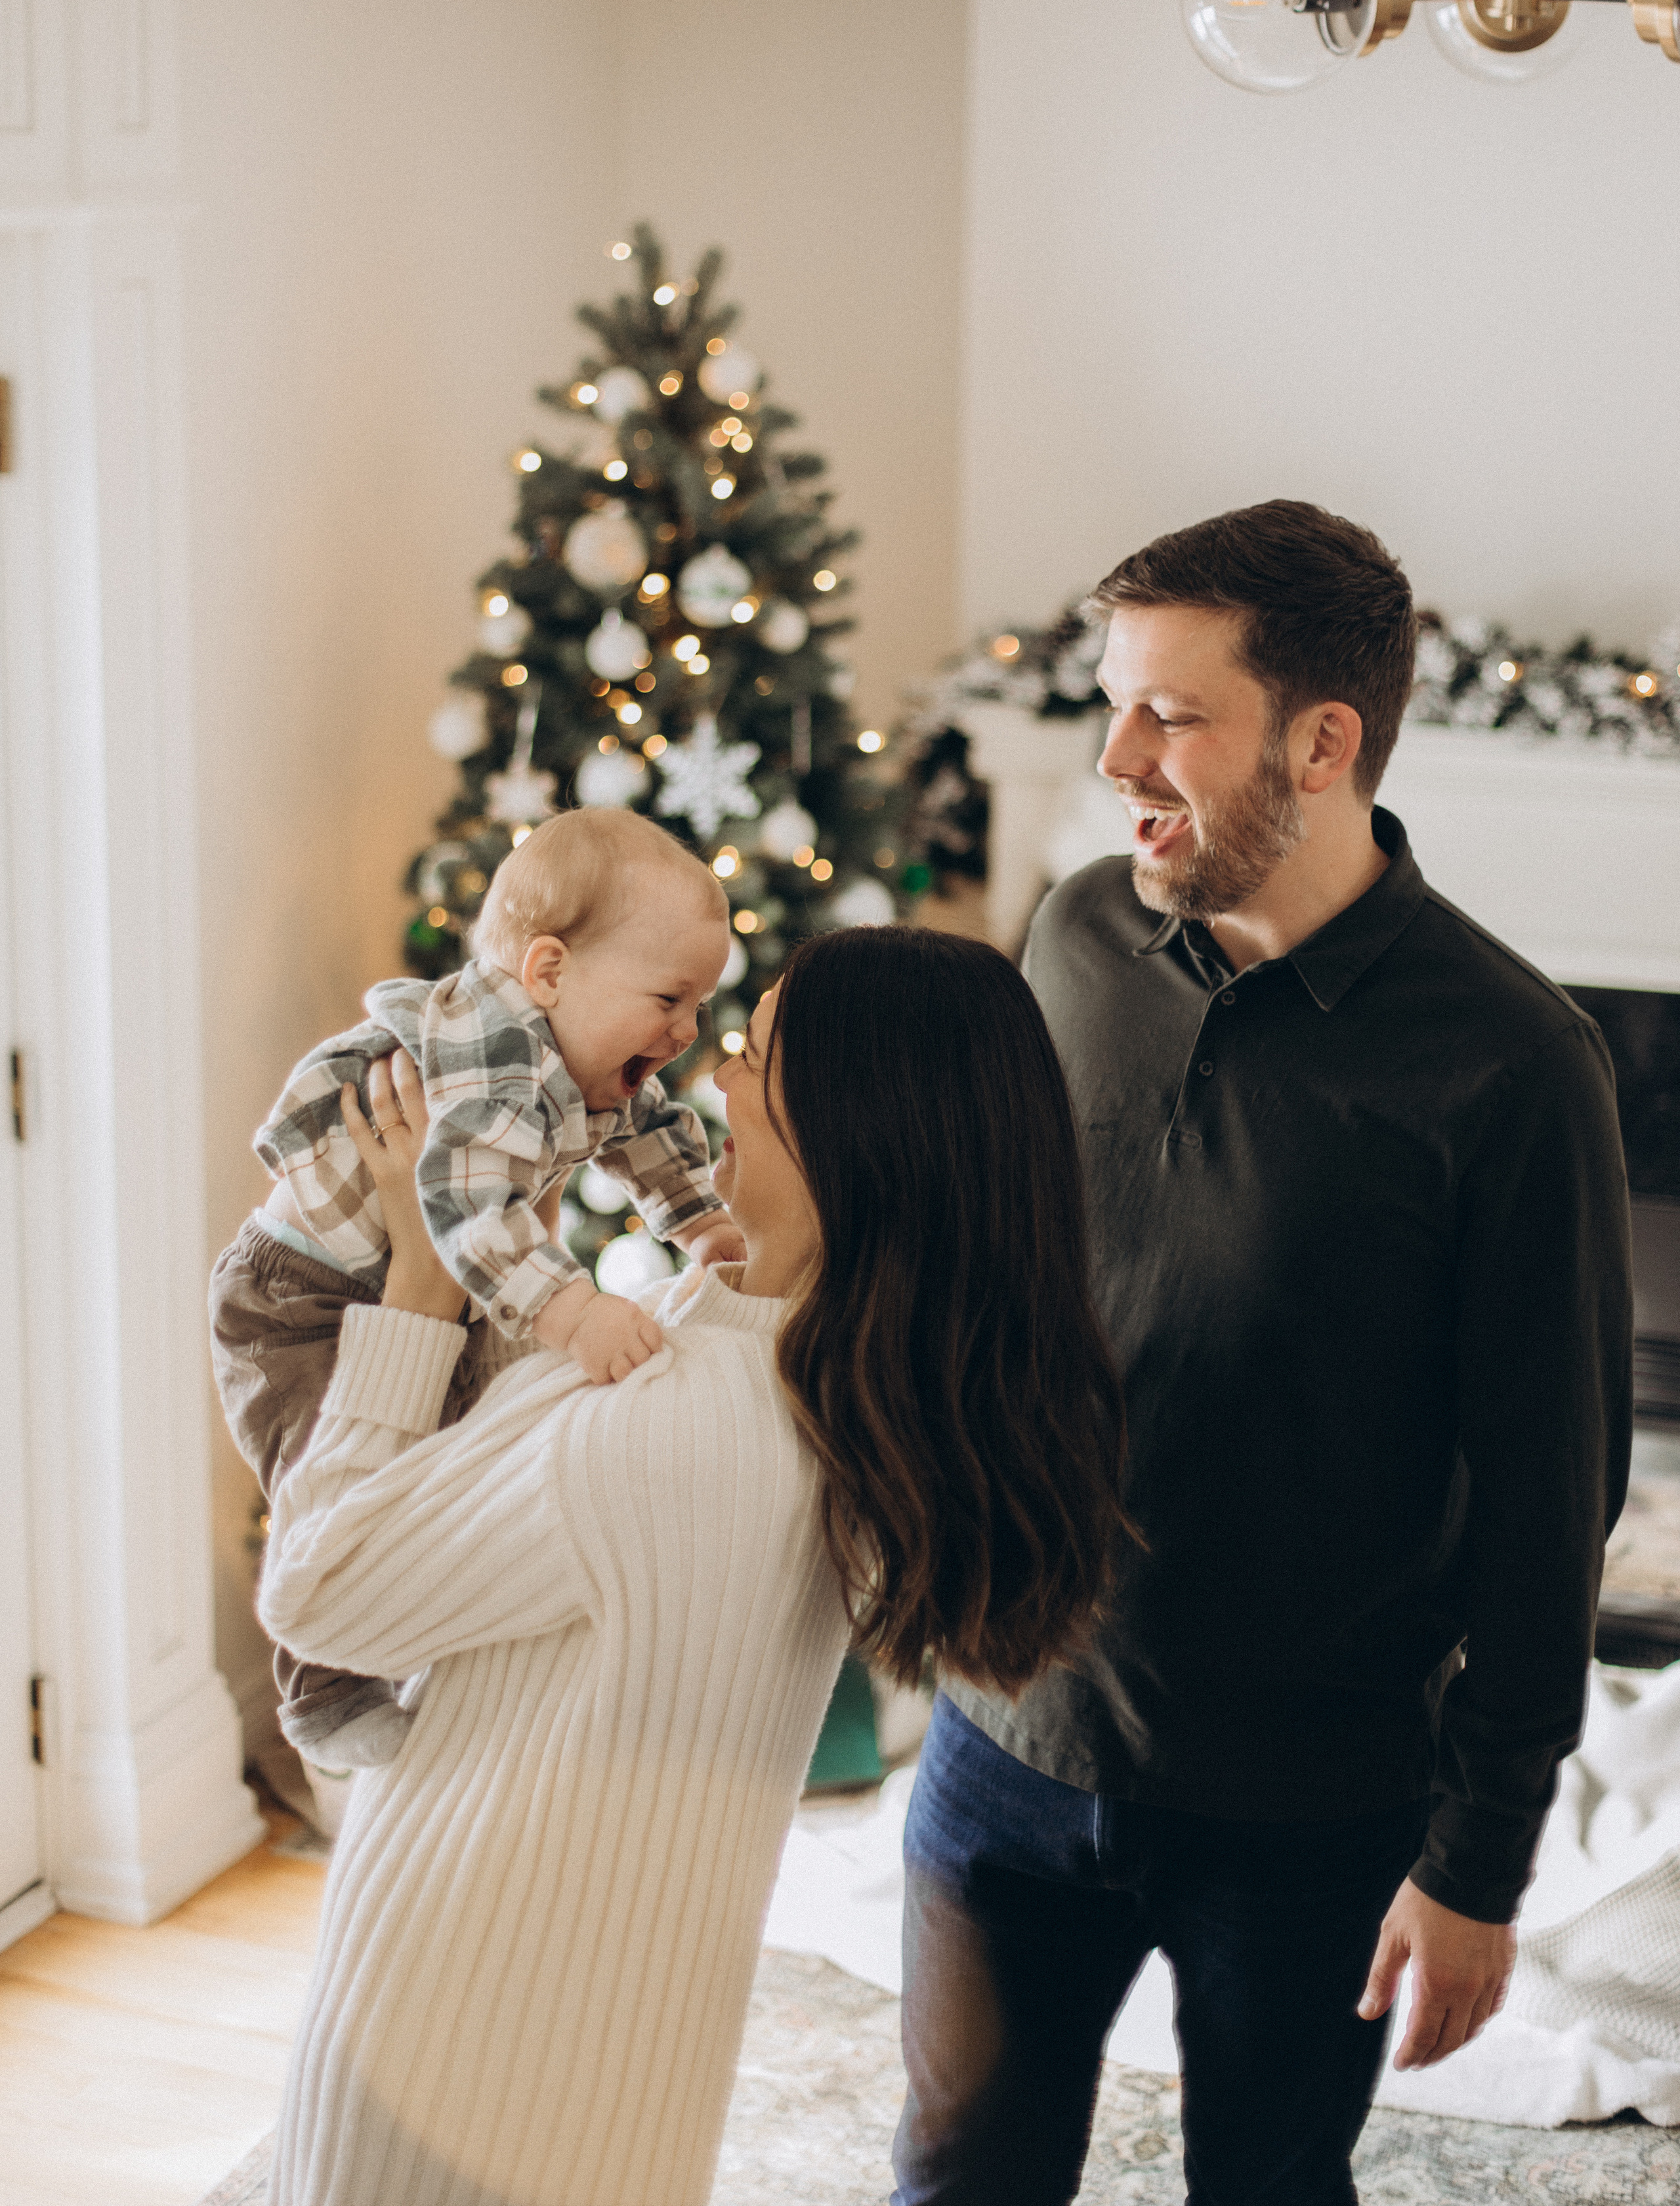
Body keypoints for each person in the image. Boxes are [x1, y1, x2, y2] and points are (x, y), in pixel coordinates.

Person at [892, 500, 1633, 2206]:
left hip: (1307, 1812)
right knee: (951, 2179)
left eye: (1171, 715)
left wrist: (1479, 1863)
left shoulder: (1518, 1069)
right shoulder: (1074, 937)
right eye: (1112, 705)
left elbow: (1551, 1502)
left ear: (1322, 742)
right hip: (1003, 1742)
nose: (1114, 759)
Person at [257, 922, 1132, 2206]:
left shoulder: (684, 1416)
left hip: (449, 2042)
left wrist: (423, 1287)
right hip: (626, 2063)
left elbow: (319, 1592)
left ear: (844, 1130)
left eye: (757, 1058)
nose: (712, 1076)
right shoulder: (834, 1392)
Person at [210, 806, 744, 1772]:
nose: (687, 1031)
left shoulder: (585, 1055)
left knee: (448, 1457)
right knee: (323, 1473)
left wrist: (699, 1222)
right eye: (670, 998)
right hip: (298, 1300)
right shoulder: (496, 1057)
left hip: (399, 1282)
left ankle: (419, 1641)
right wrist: (573, 1312)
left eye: (700, 1004)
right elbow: (465, 1203)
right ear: (549, 972)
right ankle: (325, 1690)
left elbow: (650, 1134)